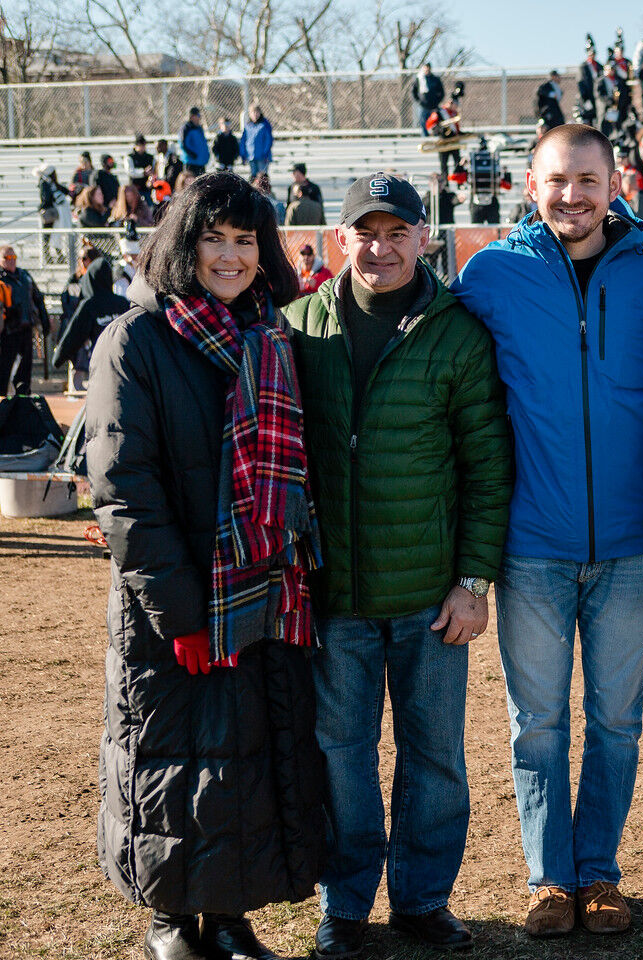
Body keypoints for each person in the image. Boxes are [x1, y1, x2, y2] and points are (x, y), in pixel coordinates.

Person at [85, 171, 324, 960]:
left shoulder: (271, 335)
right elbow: (124, 489)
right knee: (170, 756)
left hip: (261, 591)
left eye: (244, 239)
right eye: (213, 238)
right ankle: (167, 921)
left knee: (243, 758)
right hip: (177, 603)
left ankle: (227, 913)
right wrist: (178, 610)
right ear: (181, 245)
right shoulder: (137, 338)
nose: (229, 255)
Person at [451, 124, 643, 940]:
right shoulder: (490, 275)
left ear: (615, 181)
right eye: (557, 181)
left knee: (616, 719)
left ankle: (600, 871)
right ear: (529, 184)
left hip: (628, 541)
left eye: (588, 180)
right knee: (536, 721)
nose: (573, 197)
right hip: (531, 542)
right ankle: (549, 876)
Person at [284, 172, 512, 960]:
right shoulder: (297, 328)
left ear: (424, 236)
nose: (380, 248)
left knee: (435, 759)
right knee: (341, 759)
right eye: (365, 233)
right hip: (334, 595)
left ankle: (422, 899)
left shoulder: (456, 331)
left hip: (429, 597)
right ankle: (344, 905)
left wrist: (475, 582)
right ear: (341, 238)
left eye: (396, 232)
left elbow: (487, 467)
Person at [52, 252, 130, 384]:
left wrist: (58, 358)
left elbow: (74, 334)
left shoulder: (90, 305)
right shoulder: (122, 303)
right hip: (125, 360)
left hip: (102, 362)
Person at [0, 246, 50, 396]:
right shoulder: (1, 279)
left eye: (14, 257)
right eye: (7, 258)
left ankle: (23, 398)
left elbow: (38, 298)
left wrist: (44, 318)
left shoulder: (24, 276)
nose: (11, 261)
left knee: (26, 367)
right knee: (4, 367)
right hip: (8, 331)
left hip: (26, 327)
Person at [36, 164, 72, 263]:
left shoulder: (51, 183)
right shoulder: (44, 183)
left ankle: (59, 256)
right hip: (49, 213)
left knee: (56, 235)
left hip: (55, 213)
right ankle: (47, 257)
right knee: (47, 236)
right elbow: (46, 198)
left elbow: (64, 190)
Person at [241, 103, 274, 178]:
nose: (255, 114)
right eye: (253, 112)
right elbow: (243, 141)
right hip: (251, 156)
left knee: (262, 177)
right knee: (253, 176)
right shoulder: (248, 126)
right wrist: (243, 154)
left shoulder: (264, 125)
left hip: (262, 157)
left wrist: (266, 153)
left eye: (257, 112)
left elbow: (268, 140)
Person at [412, 63, 445, 134]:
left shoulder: (435, 79)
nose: (426, 69)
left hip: (434, 106)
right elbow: (414, 92)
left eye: (428, 68)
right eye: (425, 68)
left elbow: (441, 92)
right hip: (423, 106)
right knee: (423, 123)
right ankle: (425, 138)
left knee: (435, 123)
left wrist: (437, 101)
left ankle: (435, 137)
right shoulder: (419, 79)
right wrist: (419, 101)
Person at [178, 106, 209, 174]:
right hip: (191, 162)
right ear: (192, 116)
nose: (199, 117)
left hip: (201, 162)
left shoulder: (199, 128)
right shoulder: (186, 128)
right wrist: (191, 154)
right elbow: (183, 144)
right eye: (198, 115)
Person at [126, 134, 155, 201]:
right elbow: (130, 172)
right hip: (135, 188)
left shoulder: (150, 157)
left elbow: (154, 171)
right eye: (140, 144)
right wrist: (143, 172)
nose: (142, 147)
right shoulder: (130, 157)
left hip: (147, 189)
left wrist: (150, 175)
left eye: (143, 145)